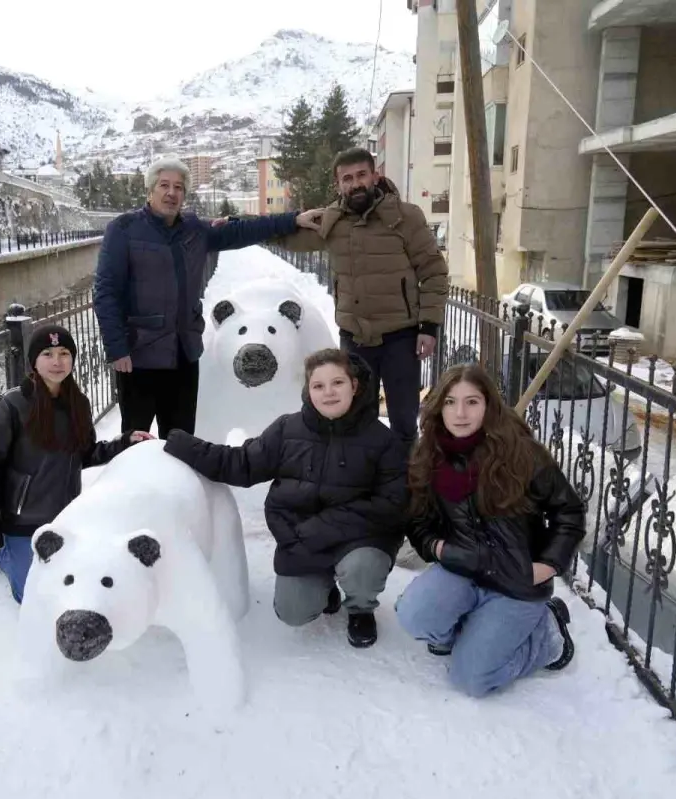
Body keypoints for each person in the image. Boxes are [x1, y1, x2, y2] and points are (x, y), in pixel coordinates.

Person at [163, 348, 406, 648]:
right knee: (293, 612)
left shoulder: (382, 441)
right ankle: (325, 588)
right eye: (318, 385)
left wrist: (322, 527)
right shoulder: (287, 429)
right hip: (303, 539)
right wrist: (180, 445)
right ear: (308, 390)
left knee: (361, 569)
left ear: (354, 386)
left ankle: (360, 607)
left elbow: (392, 505)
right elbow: (242, 464)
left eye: (337, 383)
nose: (328, 392)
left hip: (358, 539)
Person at [93, 156, 325, 439]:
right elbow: (105, 291)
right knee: (134, 436)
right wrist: (117, 348)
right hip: (141, 355)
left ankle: (178, 484)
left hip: (184, 355)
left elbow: (241, 232)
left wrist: (292, 220)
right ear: (150, 190)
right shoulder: (124, 230)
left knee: (181, 439)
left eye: (178, 187)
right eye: (164, 185)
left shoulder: (193, 230)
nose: (171, 193)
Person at [394, 364, 583, 697]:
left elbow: (568, 511)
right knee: (414, 616)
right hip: (463, 569)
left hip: (516, 581)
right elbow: (417, 520)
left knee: (472, 680)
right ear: (439, 406)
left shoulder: (522, 454)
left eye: (472, 402)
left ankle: (547, 636)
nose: (460, 413)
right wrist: (438, 549)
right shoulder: (430, 453)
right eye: (450, 402)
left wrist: (547, 566)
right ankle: (467, 632)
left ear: (489, 405)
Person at [275, 147, 449, 448]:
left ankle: (405, 484)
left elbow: (433, 272)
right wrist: (238, 226)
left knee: (404, 421)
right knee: (356, 419)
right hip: (355, 339)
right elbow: (287, 237)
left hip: (401, 338)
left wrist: (429, 326)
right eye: (347, 179)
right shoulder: (330, 221)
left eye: (361, 175)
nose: (355, 184)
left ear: (374, 176)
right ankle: (365, 484)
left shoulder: (406, 217)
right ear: (338, 185)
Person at [0, 323, 153, 601]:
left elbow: (85, 454)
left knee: (71, 590)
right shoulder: (12, 406)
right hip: (21, 522)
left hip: (64, 519)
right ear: (33, 360)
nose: (57, 362)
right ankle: (0, 554)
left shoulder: (78, 402)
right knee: (32, 597)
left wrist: (124, 442)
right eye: (47, 354)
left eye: (64, 353)